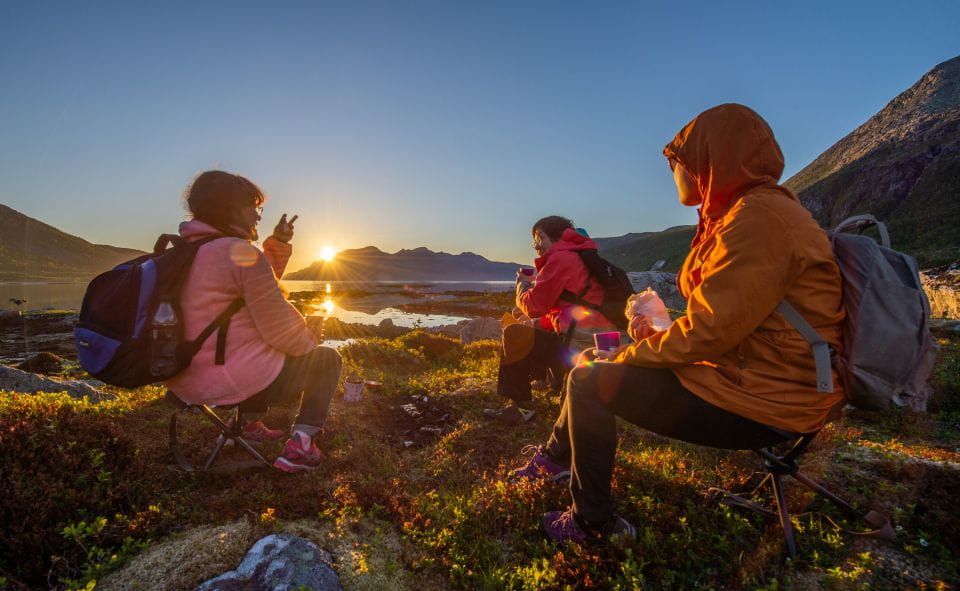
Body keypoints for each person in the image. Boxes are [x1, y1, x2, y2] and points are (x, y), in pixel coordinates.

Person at [511, 104, 846, 543]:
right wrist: (656, 337)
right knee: (592, 362)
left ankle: (592, 523)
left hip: (767, 401)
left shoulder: (757, 221)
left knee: (589, 380)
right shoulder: (753, 213)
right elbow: (733, 318)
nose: (674, 172)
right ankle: (555, 460)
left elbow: (708, 333)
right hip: (758, 378)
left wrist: (632, 352)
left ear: (709, 160)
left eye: (678, 162)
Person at [164, 170, 343, 473]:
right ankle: (301, 446)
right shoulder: (239, 254)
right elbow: (283, 334)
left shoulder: (183, 253)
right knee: (324, 359)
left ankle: (247, 425)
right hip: (224, 382)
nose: (258, 216)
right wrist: (311, 336)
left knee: (251, 342)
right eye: (254, 206)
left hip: (182, 379)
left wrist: (278, 242)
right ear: (230, 208)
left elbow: (251, 282)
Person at [483, 216, 623, 425]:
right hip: (599, 347)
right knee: (532, 327)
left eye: (539, 239)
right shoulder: (582, 257)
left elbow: (532, 306)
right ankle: (550, 383)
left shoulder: (561, 259)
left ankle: (521, 408)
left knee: (514, 332)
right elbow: (568, 311)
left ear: (549, 236)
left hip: (579, 350)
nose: (536, 246)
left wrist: (522, 285)